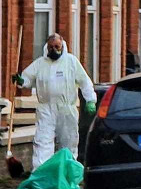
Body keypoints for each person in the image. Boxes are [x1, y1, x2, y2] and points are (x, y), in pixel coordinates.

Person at [12, 33, 96, 171]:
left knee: (68, 141)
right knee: (42, 141)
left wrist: (90, 100)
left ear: (62, 45)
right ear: (47, 47)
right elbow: (27, 78)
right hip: (46, 109)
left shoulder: (71, 62)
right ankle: (41, 173)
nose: (54, 50)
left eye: (57, 46)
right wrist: (21, 81)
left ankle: (68, 173)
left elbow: (85, 82)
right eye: (51, 47)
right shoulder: (40, 63)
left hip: (66, 109)